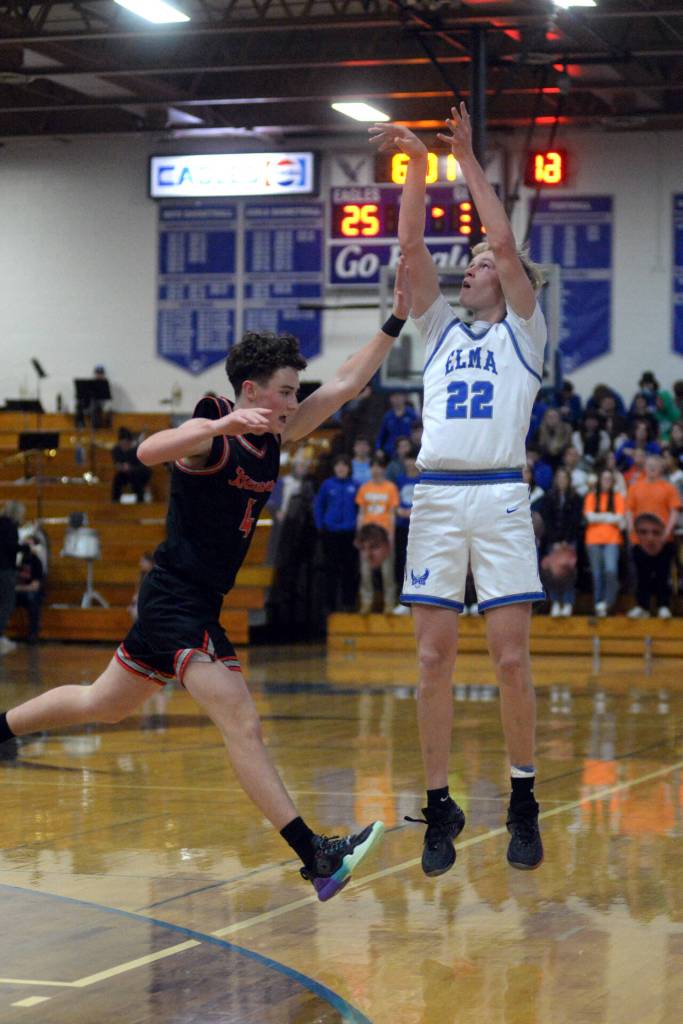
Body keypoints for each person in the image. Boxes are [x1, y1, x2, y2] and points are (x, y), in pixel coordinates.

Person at [0, 266, 412, 900]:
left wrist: (394, 320)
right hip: (177, 599)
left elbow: (348, 383)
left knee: (101, 705)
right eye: (283, 390)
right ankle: (317, 857)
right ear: (251, 390)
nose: (294, 401)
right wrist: (220, 427)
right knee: (241, 722)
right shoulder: (215, 426)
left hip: (188, 601)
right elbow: (148, 452)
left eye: (295, 391)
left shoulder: (278, 432)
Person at [370, 104, 546, 872]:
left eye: (478, 264)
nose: (471, 266)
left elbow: (503, 241)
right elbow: (409, 246)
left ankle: (521, 799)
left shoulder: (524, 331)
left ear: (506, 283)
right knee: (431, 660)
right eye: (469, 263)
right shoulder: (438, 328)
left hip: (502, 496)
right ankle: (440, 803)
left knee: (510, 661)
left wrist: (467, 157)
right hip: (437, 496)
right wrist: (416, 164)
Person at [625, 454, 681, 618]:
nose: (651, 469)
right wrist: (631, 530)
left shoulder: (668, 488)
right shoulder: (635, 487)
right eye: (648, 466)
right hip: (640, 540)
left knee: (662, 574)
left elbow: (674, 511)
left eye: (654, 466)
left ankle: (664, 606)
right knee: (642, 575)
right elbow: (629, 510)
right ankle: (643, 607)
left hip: (663, 540)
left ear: (660, 469)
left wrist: (666, 532)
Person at [314, 455, 359, 613]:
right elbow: (319, 506)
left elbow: (360, 509)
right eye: (338, 465)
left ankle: (348, 604)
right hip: (331, 533)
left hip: (350, 533)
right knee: (330, 570)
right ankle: (329, 605)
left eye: (344, 465)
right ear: (334, 468)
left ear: (348, 468)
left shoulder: (356, 485)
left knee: (350, 569)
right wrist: (320, 525)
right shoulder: (327, 485)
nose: (341, 468)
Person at [355, 455, 400, 613]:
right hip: (367, 535)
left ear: (384, 469)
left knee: (387, 571)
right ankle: (366, 602)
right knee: (365, 571)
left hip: (383, 535)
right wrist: (359, 534)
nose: (375, 469)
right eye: (373, 466)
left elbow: (392, 514)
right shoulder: (364, 488)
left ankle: (389, 603)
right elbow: (361, 513)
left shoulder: (390, 488)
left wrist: (391, 536)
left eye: (379, 466)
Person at [537, 467, 583, 617]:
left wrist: (566, 541)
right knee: (551, 572)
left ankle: (568, 601)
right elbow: (547, 521)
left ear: (569, 481)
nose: (562, 481)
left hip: (569, 542)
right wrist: (555, 540)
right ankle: (556, 601)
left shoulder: (576, 498)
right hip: (553, 542)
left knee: (568, 571)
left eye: (565, 478)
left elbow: (575, 521)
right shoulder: (549, 498)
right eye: (559, 478)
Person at [583, 468, 625, 617]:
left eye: (609, 479)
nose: (606, 481)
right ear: (599, 481)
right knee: (597, 574)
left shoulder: (618, 496)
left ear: (612, 481)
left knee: (611, 571)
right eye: (604, 478)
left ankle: (608, 602)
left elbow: (619, 518)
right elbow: (589, 517)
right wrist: (608, 516)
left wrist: (599, 516)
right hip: (593, 540)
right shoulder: (591, 496)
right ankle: (598, 603)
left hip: (612, 540)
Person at [0, 501, 21, 656]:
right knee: (7, 604)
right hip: (6, 570)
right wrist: (28, 548)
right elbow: (11, 547)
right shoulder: (11, 527)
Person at [14, 538, 45, 643]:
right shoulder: (16, 561)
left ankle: (33, 634)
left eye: (29, 545)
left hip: (30, 592)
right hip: (17, 592)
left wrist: (17, 588)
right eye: (24, 544)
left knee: (32, 597)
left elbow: (35, 586)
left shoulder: (36, 562)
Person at [111, 427, 152, 503]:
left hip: (138, 473)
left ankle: (140, 501)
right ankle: (115, 501)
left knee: (137, 479)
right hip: (125, 474)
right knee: (117, 479)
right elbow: (117, 463)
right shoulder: (116, 450)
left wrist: (131, 468)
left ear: (130, 443)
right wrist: (121, 466)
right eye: (122, 443)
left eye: (126, 443)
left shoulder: (137, 450)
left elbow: (143, 467)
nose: (124, 446)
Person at [376, 392, 418, 458]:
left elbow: (418, 432)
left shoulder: (412, 414)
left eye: (399, 396)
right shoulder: (387, 416)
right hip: (390, 452)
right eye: (394, 396)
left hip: (409, 451)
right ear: (390, 399)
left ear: (405, 398)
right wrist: (378, 449)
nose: (397, 399)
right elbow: (381, 435)